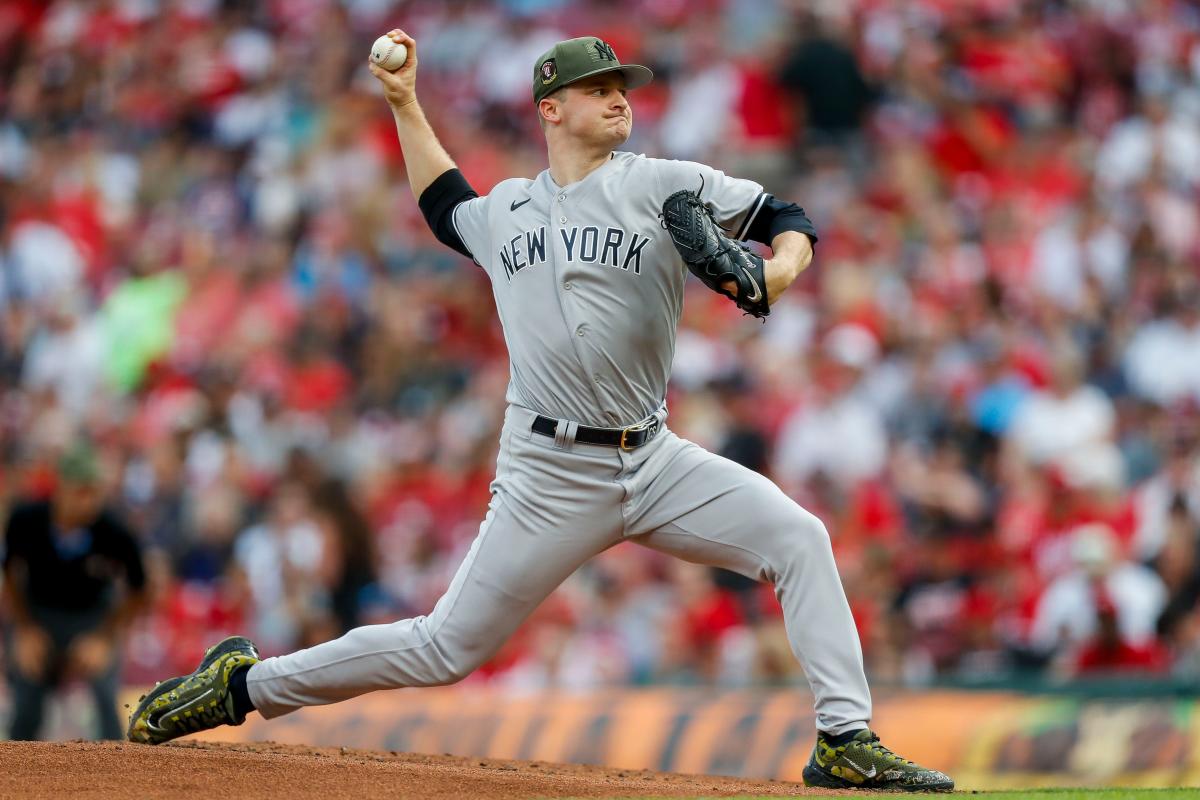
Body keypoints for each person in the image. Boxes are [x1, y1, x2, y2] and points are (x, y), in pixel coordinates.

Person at [127, 31, 952, 792]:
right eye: (598, 88)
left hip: (655, 457)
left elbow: (786, 218)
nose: (619, 97)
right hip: (549, 471)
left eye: (623, 86)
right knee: (446, 648)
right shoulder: (510, 209)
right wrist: (406, 102)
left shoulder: (664, 182)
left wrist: (775, 276)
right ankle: (243, 685)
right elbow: (444, 205)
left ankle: (844, 738)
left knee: (799, 538)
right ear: (550, 107)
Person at [3, 442, 146, 740]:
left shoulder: (114, 531)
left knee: (107, 697)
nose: (90, 502)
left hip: (92, 617)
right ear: (61, 488)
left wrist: (105, 639)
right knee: (27, 698)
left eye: (96, 492)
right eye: (82, 491)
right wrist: (24, 630)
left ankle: (120, 770)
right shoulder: (25, 520)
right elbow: (10, 575)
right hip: (38, 613)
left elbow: (139, 589)